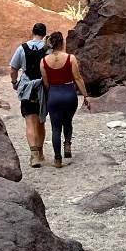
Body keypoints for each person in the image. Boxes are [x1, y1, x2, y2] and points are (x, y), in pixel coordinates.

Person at [39, 31, 90, 169]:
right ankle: (67, 144)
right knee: (67, 122)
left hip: (54, 95)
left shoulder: (43, 61)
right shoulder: (71, 58)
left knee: (55, 128)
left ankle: (57, 159)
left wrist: (51, 94)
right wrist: (85, 96)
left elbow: (46, 83)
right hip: (69, 94)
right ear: (62, 43)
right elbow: (78, 78)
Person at [9, 22, 49, 168]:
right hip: (43, 90)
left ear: (32, 32)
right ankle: (40, 151)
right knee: (41, 121)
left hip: (27, 88)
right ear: (44, 34)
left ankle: (34, 156)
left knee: (30, 121)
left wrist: (14, 82)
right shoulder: (48, 49)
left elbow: (14, 68)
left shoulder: (22, 48)